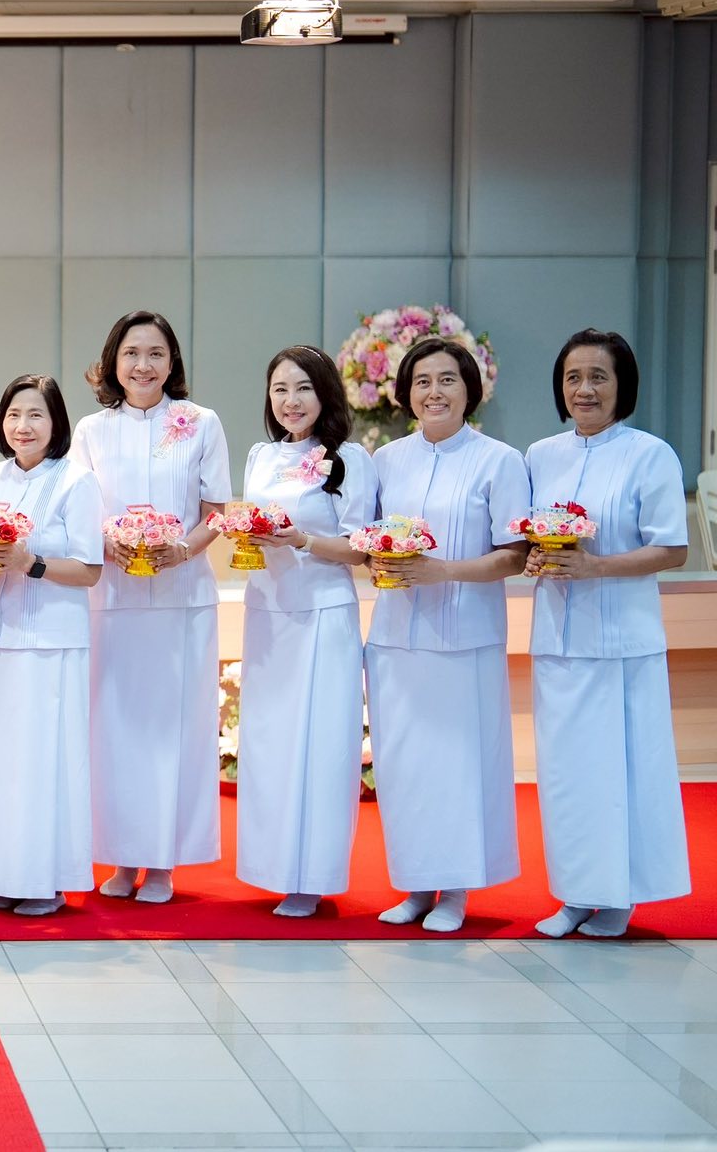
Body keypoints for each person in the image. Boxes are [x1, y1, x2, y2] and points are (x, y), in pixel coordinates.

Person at [524, 329, 691, 938]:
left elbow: (672, 548)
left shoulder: (650, 454)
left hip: (622, 640)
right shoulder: (541, 455)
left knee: (622, 771)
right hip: (558, 639)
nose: (585, 389)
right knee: (567, 775)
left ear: (624, 386)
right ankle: (573, 893)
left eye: (599, 376)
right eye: (573, 378)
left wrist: (596, 565)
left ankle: (618, 896)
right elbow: (526, 540)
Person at [364, 337, 529, 933]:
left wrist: (444, 571)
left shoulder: (499, 461)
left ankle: (457, 890)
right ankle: (414, 883)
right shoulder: (386, 460)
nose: (434, 393)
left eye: (447, 381)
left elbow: (515, 555)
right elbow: (370, 541)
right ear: (406, 393)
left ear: (469, 390)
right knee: (403, 764)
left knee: (460, 764)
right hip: (395, 636)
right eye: (423, 382)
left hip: (465, 637)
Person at [69, 311, 230, 904]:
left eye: (156, 353)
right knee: (114, 730)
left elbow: (216, 510)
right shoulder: (90, 430)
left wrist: (183, 548)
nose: (143, 364)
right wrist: (105, 541)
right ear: (113, 360)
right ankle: (121, 857)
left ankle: (162, 862)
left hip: (181, 600)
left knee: (174, 730)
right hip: (110, 598)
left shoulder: (200, 423)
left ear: (173, 362)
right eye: (132, 352)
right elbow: (78, 507)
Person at [236, 347, 374, 917]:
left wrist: (303, 541)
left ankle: (312, 876)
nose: (290, 401)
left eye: (302, 389)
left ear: (325, 394)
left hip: (323, 614)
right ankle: (271, 867)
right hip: (268, 613)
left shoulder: (351, 458)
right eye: (279, 390)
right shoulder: (260, 456)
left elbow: (363, 547)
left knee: (319, 744)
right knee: (269, 743)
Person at [0, 374, 103, 917]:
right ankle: (3, 875)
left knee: (45, 761)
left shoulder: (77, 481)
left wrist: (32, 563)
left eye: (36, 415)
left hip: (50, 641)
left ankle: (46, 880)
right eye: (14, 414)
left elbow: (91, 570)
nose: (23, 426)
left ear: (56, 423)